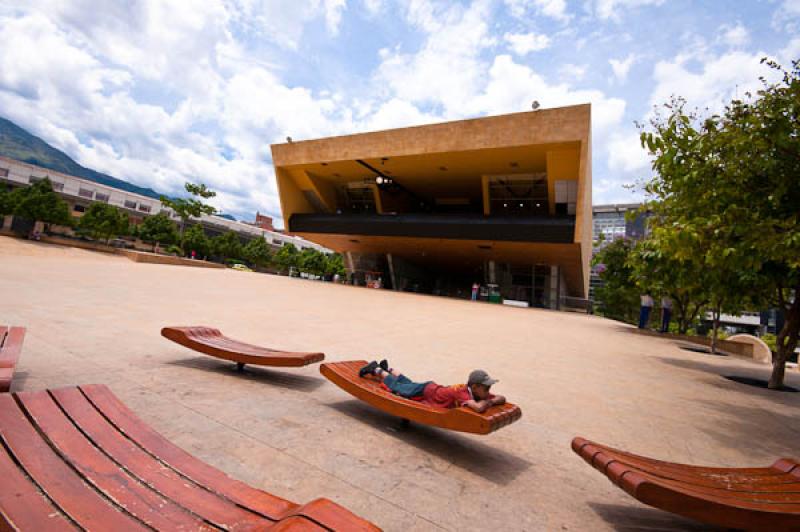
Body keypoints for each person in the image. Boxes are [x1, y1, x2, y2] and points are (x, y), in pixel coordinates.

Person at [359, 360, 506, 413]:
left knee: (408, 384)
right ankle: (375, 369)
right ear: (474, 387)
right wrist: (489, 402)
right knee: (398, 388)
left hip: (430, 388)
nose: (489, 391)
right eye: (486, 388)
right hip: (426, 391)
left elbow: (502, 398)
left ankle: (388, 370)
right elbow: (479, 408)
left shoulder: (478, 393)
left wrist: (490, 400)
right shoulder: (463, 394)